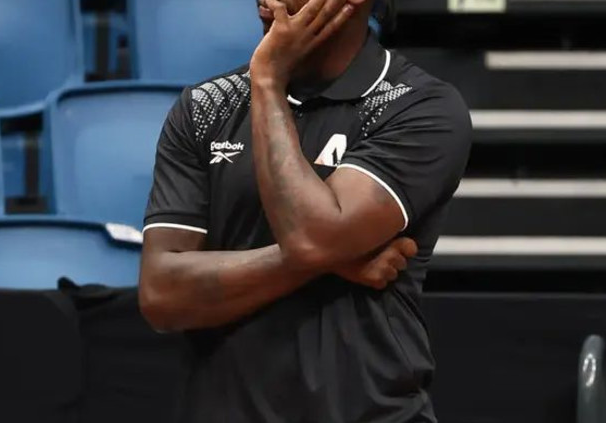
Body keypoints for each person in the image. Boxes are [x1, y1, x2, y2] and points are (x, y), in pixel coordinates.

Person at [139, 0, 472, 421]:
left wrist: (266, 81)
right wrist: (333, 260)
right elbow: (162, 296)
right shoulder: (206, 107)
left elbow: (312, 239)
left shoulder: (418, 106)